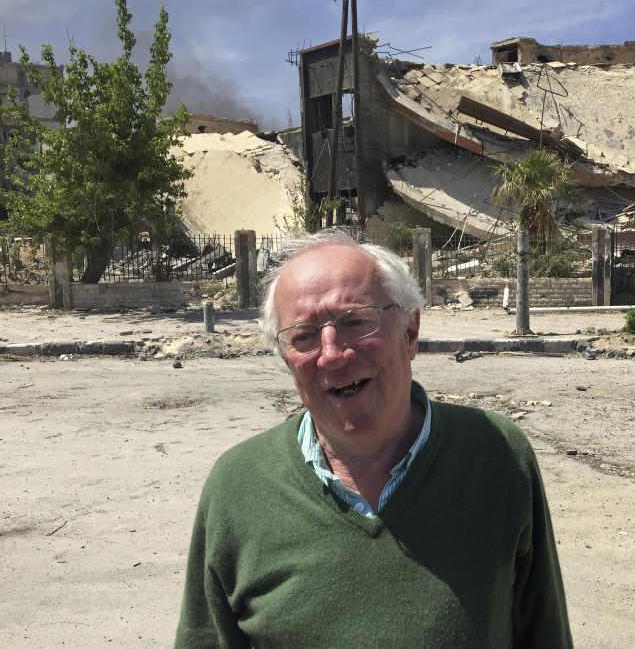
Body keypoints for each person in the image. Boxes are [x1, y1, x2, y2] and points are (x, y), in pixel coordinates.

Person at [175, 229, 572, 647]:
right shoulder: (238, 486)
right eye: (304, 336)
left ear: (411, 331)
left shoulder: (496, 456)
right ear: (286, 358)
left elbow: (544, 633)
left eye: (356, 322)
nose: (331, 354)